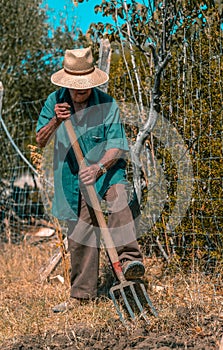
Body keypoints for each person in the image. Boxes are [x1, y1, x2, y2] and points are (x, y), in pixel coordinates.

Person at [36, 47, 145, 312]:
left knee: (120, 198)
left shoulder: (107, 104)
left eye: (83, 87)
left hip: (106, 171)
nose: (78, 91)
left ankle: (129, 263)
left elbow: (118, 146)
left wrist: (98, 168)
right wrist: (55, 121)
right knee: (81, 230)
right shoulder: (55, 100)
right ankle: (82, 296)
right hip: (72, 178)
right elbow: (40, 140)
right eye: (74, 86)